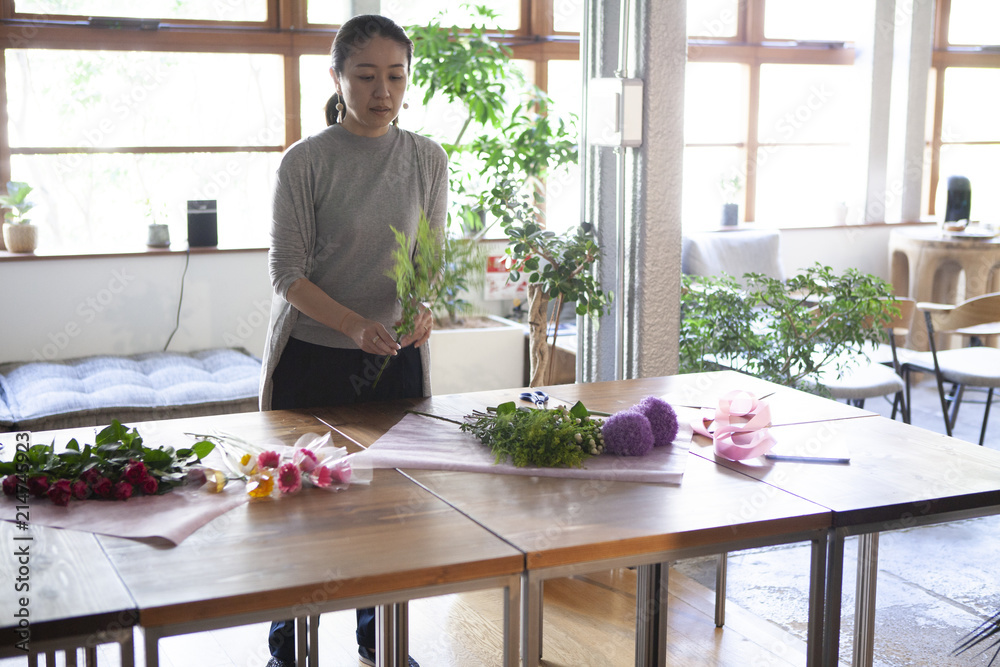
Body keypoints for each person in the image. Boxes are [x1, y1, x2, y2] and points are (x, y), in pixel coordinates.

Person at [259, 14, 447, 667]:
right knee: (300, 507)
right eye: (366, 75)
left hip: (393, 365)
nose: (383, 90)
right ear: (336, 78)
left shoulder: (427, 158)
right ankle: (288, 644)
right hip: (312, 360)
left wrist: (422, 307)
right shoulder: (305, 162)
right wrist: (352, 324)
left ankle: (379, 636)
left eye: (395, 75)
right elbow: (288, 274)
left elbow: (431, 261)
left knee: (389, 507)